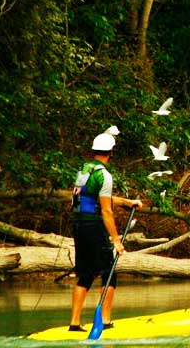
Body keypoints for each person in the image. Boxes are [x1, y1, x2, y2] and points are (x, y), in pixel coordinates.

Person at [68, 132, 142, 331]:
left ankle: (74, 324)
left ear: (94, 150)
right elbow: (106, 210)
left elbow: (96, 199)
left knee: (85, 274)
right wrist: (117, 241)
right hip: (94, 226)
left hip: (79, 226)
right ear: (111, 152)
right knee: (109, 271)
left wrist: (126, 202)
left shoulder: (84, 170)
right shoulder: (105, 175)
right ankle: (106, 322)